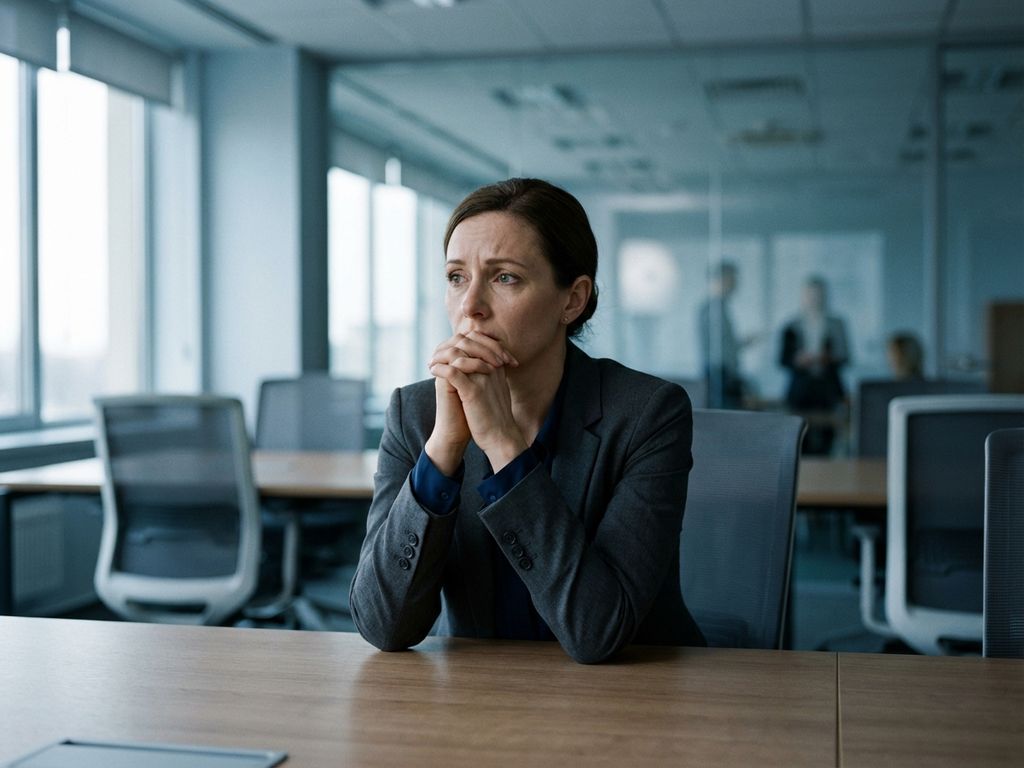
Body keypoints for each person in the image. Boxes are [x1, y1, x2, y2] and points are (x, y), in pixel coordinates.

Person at [349, 178, 705, 663]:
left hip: (633, 699)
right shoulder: (416, 415)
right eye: (456, 277)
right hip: (485, 700)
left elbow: (598, 633)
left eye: (504, 278)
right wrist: (444, 449)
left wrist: (501, 442)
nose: (470, 305)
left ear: (572, 300)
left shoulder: (648, 414)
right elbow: (381, 625)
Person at [779, 276, 850, 455]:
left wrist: (828, 358)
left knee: (828, 441)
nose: (814, 299)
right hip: (800, 392)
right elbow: (782, 359)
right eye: (810, 295)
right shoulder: (791, 325)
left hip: (828, 390)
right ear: (803, 296)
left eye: (818, 294)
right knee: (800, 440)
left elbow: (846, 356)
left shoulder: (837, 324)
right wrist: (799, 360)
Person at [697, 260, 755, 409]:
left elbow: (725, 344)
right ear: (723, 279)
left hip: (724, 374)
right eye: (733, 279)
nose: (736, 285)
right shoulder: (713, 309)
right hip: (720, 375)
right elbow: (718, 348)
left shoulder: (719, 308)